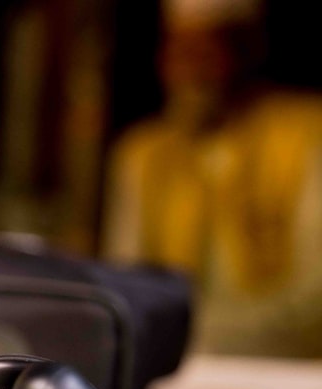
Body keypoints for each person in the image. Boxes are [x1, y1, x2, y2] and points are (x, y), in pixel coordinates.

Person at [102, 0, 322, 357]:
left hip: (288, 366)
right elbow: (127, 288)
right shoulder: (144, 154)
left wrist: (193, 335)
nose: (190, 68)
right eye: (180, 49)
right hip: (174, 365)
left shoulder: (306, 135)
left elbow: (315, 302)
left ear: (247, 51)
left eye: (206, 48)